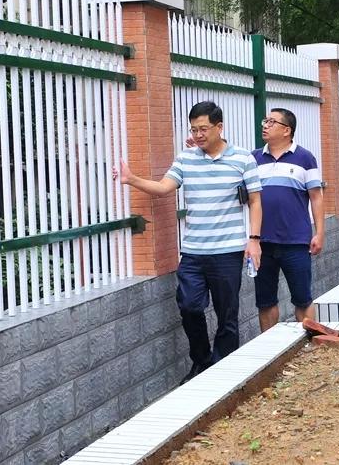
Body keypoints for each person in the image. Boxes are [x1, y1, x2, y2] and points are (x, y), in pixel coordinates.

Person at [115, 101, 262, 384]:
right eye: (194, 130)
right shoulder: (185, 159)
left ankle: (223, 372)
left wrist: (254, 240)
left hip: (228, 251)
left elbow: (255, 201)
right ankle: (202, 361)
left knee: (227, 315)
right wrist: (131, 179)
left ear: (219, 127)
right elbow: (163, 188)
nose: (198, 135)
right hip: (194, 252)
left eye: (203, 129)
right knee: (189, 306)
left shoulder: (243, 158)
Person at [252, 108, 325, 332]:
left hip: (296, 242)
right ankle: (269, 346)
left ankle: (308, 344)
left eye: (271, 122)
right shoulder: (254, 158)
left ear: (287, 130)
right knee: (265, 301)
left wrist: (319, 233)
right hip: (262, 243)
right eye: (265, 121)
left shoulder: (305, 158)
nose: (265, 125)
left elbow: (316, 197)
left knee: (302, 299)